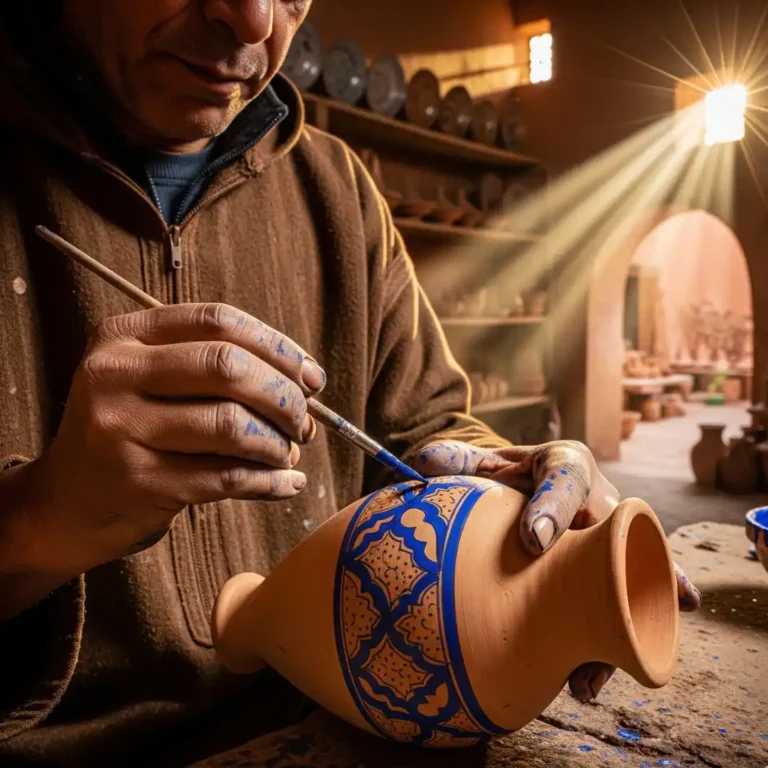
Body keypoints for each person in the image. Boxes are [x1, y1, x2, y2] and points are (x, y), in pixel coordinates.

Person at [0, 2, 700, 766]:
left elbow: (426, 432)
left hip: (332, 721)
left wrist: (512, 474)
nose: (253, 20)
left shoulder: (336, 189)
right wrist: (37, 520)